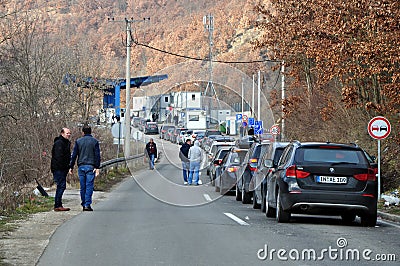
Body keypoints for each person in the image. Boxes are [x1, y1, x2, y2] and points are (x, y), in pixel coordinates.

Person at [69, 125, 101, 211]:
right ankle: (87, 204)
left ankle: (83, 203)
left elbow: (74, 155)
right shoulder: (94, 142)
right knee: (89, 186)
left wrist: (71, 166)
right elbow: (97, 155)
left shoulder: (79, 141)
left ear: (83, 132)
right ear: (90, 132)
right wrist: (97, 167)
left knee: (83, 186)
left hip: (81, 166)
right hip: (91, 166)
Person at [51, 128, 72, 212]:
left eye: (69, 133)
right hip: (59, 168)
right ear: (62, 133)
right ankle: (57, 205)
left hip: (63, 168)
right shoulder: (59, 143)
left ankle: (59, 204)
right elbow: (58, 157)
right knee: (61, 186)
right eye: (67, 133)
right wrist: (64, 166)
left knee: (61, 186)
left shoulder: (65, 143)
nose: (69, 135)